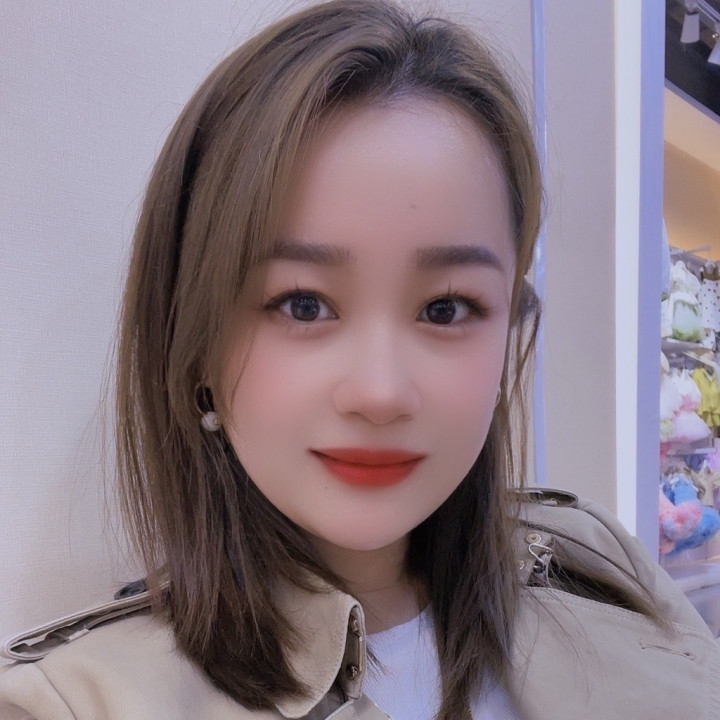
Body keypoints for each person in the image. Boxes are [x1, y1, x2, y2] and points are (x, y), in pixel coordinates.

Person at [0, 1, 717, 718]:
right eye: (303, 304)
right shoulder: (73, 703)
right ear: (196, 341)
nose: (380, 392)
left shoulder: (600, 562)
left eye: (446, 308)